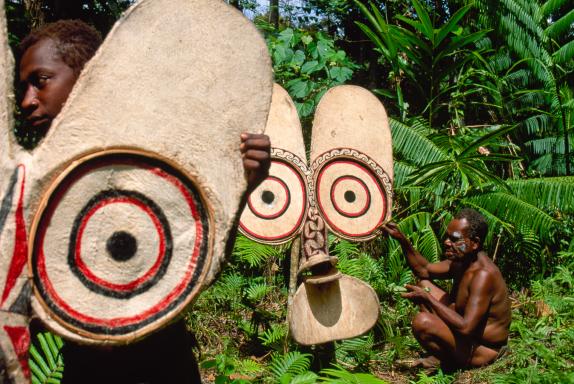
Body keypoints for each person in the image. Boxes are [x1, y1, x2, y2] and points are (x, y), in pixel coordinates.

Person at [19, 20, 271, 383]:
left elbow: (201, 267)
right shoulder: (35, 182)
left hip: (164, 366)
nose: (27, 101)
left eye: (40, 81)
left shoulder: (154, 159)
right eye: (23, 87)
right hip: (85, 371)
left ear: (89, 76)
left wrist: (242, 186)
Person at [383, 209, 511, 370]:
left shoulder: (483, 276)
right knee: (424, 284)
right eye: (447, 236)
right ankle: (445, 355)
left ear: (475, 243)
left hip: (482, 350)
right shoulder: (461, 262)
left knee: (422, 322)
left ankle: (447, 361)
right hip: (466, 338)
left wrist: (428, 299)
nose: (446, 242)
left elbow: (466, 327)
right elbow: (424, 269)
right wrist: (401, 239)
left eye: (454, 239)